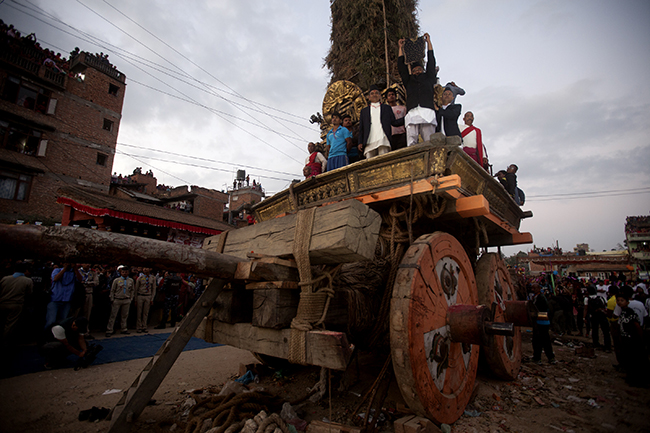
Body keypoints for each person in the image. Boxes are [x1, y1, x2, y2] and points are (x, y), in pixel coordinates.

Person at [398, 33, 437, 147]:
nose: (417, 71)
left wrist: (428, 42)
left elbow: (431, 61)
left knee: (429, 141)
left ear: (423, 70)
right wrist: (400, 48)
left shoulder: (429, 78)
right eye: (414, 70)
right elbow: (401, 67)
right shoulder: (409, 81)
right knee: (411, 142)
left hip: (427, 111)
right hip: (412, 112)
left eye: (419, 69)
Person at [615, 288, 650, 387]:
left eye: (622, 301)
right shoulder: (623, 312)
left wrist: (641, 338)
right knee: (629, 359)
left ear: (627, 302)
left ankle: (638, 380)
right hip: (625, 339)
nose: (619, 302)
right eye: (618, 300)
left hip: (633, 339)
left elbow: (637, 326)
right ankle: (631, 378)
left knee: (635, 360)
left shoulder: (630, 312)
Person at [358, 85, 395, 159]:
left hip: (383, 139)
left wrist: (406, 119)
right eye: (372, 93)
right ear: (369, 97)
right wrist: (360, 142)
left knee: (384, 160)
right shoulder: (364, 111)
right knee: (370, 163)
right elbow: (361, 128)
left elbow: (394, 122)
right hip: (369, 140)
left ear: (380, 96)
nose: (374, 95)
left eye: (376, 93)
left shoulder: (386, 108)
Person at [0, 262, 33, 344]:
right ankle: (5, 342)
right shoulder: (27, 281)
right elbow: (29, 294)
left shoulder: (5, 279)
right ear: (25, 270)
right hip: (16, 304)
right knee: (10, 325)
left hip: (3, 302)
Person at [45, 263, 82, 328]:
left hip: (67, 300)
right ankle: (48, 335)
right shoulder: (57, 270)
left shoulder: (73, 272)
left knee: (63, 321)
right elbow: (55, 278)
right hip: (55, 299)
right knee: (51, 320)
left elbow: (80, 279)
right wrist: (65, 269)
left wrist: (75, 269)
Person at [106, 265, 135, 337]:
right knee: (113, 315)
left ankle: (124, 329)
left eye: (126, 272)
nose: (124, 273)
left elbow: (132, 290)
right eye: (123, 272)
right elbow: (112, 290)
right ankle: (109, 329)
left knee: (124, 315)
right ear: (120, 272)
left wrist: (131, 298)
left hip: (126, 299)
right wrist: (112, 299)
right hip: (117, 299)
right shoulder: (116, 280)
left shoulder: (130, 280)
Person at [531, 283, 556, 364]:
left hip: (541, 322)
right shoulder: (537, 297)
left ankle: (539, 358)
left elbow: (539, 310)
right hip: (542, 321)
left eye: (534, 288)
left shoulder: (540, 298)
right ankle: (547, 357)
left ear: (538, 288)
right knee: (543, 341)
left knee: (539, 341)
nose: (532, 290)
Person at [586, 285, 611, 352]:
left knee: (595, 330)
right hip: (602, 315)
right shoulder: (601, 298)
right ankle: (608, 346)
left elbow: (586, 309)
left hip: (593, 316)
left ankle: (596, 343)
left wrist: (584, 317)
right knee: (605, 331)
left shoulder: (587, 299)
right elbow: (605, 305)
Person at [78, 263, 98, 337]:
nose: (88, 265)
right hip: (78, 294)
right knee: (77, 313)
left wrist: (86, 283)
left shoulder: (93, 272)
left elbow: (96, 282)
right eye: (86, 263)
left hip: (89, 293)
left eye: (89, 263)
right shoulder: (78, 271)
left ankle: (85, 331)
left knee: (87, 314)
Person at [135, 268, 156, 333]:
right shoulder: (140, 278)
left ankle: (144, 326)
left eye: (147, 268)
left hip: (148, 296)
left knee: (145, 312)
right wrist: (135, 299)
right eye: (144, 268)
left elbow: (153, 289)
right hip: (140, 295)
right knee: (139, 312)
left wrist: (152, 298)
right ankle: (139, 327)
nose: (145, 269)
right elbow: (136, 289)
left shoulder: (153, 278)